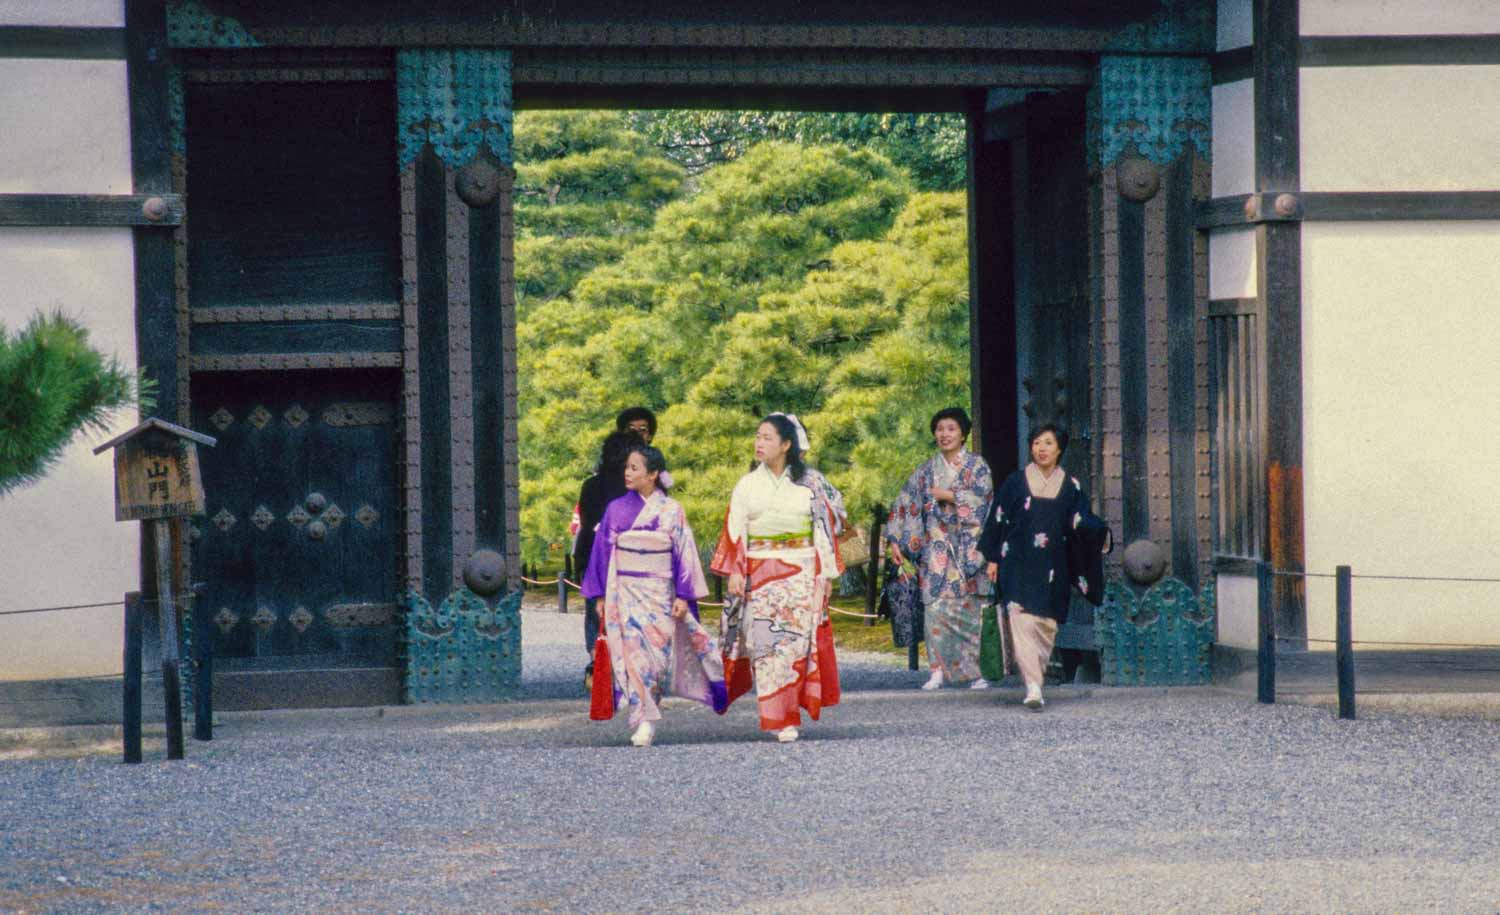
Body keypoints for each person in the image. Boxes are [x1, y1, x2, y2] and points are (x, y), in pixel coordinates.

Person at [580, 444, 726, 746]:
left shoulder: (672, 510)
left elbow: (684, 555)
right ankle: (643, 720)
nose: (627, 473)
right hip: (625, 591)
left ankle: (649, 710)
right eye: (627, 467)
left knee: (656, 659)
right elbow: (602, 554)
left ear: (654, 474)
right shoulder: (616, 509)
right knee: (633, 657)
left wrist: (684, 595)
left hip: (660, 592)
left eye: (634, 468)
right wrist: (599, 597)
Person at [711, 413, 844, 743]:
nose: (759, 443)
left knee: (795, 646)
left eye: (767, 438)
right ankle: (776, 714)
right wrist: (735, 572)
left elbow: (823, 530)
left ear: (787, 445)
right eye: (758, 436)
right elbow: (735, 531)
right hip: (759, 572)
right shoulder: (747, 484)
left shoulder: (809, 483)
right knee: (765, 648)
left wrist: (825, 574)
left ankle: (790, 716)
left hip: (800, 573)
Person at [979, 423, 1111, 711]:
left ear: (1059, 449)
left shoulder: (1070, 486)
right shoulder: (1015, 482)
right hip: (1016, 559)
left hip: (1053, 563)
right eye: (1037, 442)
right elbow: (998, 519)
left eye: (1048, 443)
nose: (1042, 448)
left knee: (1046, 624)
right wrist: (993, 558)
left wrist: (1101, 532)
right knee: (1021, 619)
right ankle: (1033, 684)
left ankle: (1035, 676)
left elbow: (1081, 520)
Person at [885, 407, 994, 691]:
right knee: (935, 609)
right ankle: (937, 670)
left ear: (963, 434)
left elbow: (985, 502)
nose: (944, 434)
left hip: (968, 549)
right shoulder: (925, 471)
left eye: (951, 429)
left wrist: (949, 496)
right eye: (940, 429)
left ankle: (976, 672)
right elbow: (905, 504)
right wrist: (896, 540)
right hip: (935, 550)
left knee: (969, 611)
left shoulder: (977, 466)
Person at [573, 430, 643, 688]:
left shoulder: (592, 484)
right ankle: (632, 665)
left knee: (597, 613)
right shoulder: (640, 488)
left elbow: (587, 523)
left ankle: (598, 664)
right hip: (633, 560)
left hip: (594, 554)